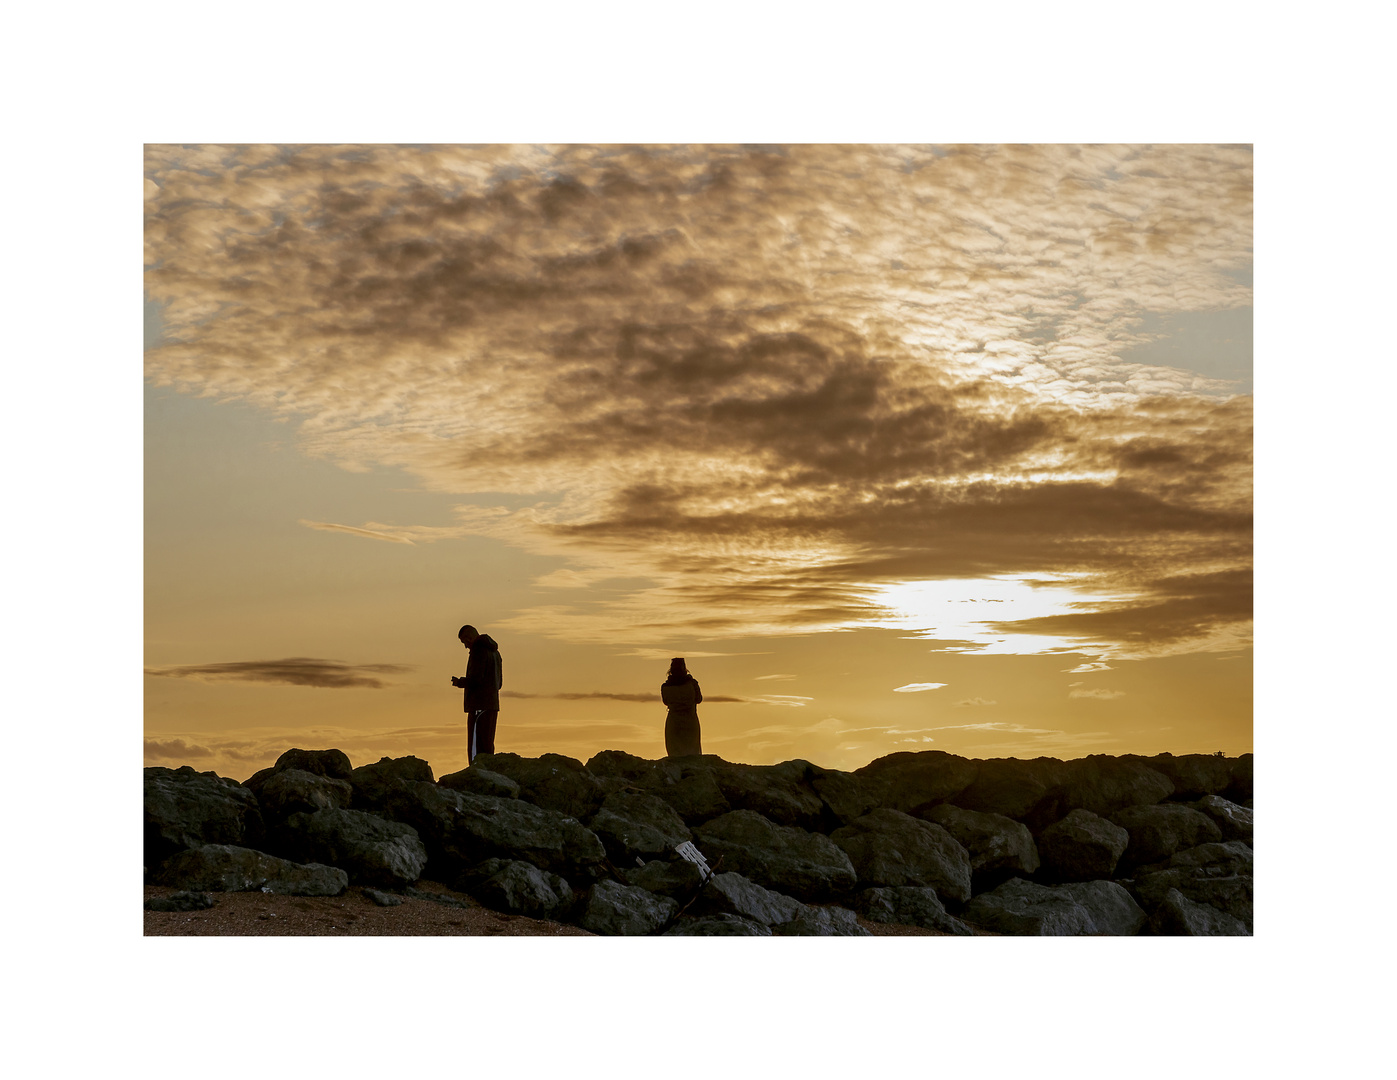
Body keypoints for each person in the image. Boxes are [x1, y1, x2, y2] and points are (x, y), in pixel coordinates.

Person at [451, 624, 502, 764]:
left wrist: (459, 682)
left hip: (479, 706)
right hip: (492, 705)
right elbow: (499, 683)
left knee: (476, 748)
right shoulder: (495, 653)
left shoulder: (478, 651)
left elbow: (476, 679)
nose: (466, 646)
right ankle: (489, 773)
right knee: (487, 745)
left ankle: (476, 775)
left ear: (469, 637)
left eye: (464, 642)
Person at [661, 657, 703, 758]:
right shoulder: (692, 683)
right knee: (692, 750)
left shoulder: (665, 687)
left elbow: (665, 702)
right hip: (690, 720)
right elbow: (699, 699)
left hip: (674, 722)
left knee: (675, 751)